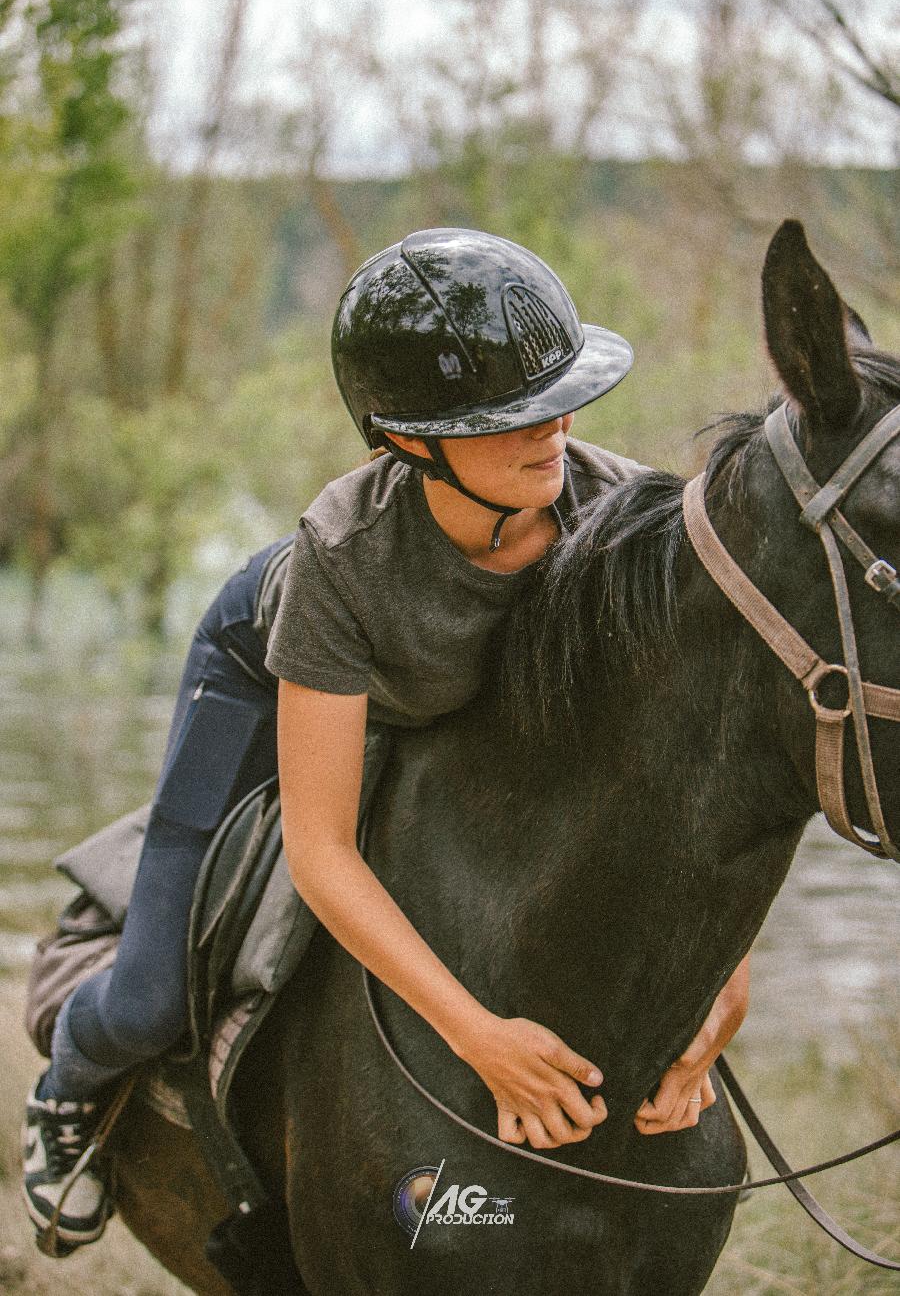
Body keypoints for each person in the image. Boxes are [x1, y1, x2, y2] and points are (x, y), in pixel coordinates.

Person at [23, 227, 749, 1251]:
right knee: (149, 998)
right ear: (406, 439)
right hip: (271, 664)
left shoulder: (626, 522)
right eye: (511, 417)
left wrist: (726, 980)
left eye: (561, 396)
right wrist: (478, 1037)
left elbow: (704, 777)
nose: (556, 430)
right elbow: (321, 852)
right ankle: (65, 1096)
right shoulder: (342, 559)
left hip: (455, 698)